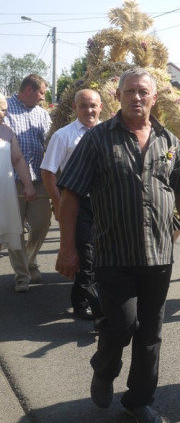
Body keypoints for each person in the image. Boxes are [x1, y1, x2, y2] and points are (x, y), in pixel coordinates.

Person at [55, 69, 180, 423]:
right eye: (130, 91)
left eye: (143, 92)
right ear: (118, 97)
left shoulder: (170, 142)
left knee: (150, 332)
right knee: (121, 324)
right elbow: (70, 194)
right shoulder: (98, 139)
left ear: (154, 99)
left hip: (159, 256)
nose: (137, 97)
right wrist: (67, 248)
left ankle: (139, 400)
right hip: (113, 254)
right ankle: (104, 371)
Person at [41, 89, 103, 320]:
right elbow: (48, 171)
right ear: (75, 109)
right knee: (86, 255)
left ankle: (90, 299)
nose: (89, 110)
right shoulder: (63, 136)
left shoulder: (109, 132)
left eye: (93, 106)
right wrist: (59, 204)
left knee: (103, 256)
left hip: (105, 204)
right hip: (78, 202)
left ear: (101, 107)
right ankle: (87, 306)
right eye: (84, 106)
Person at [4, 74, 52, 291]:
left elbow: (50, 143)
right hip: (10, 181)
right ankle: (22, 275)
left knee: (42, 223)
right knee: (16, 229)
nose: (43, 98)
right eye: (41, 93)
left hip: (38, 178)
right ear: (29, 90)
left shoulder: (43, 115)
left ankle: (30, 260)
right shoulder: (6, 109)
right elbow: (14, 155)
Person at [0, 93, 37, 250]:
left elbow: (17, 159)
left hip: (3, 195)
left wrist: (28, 186)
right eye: (2, 110)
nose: (6, 114)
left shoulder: (6, 131)